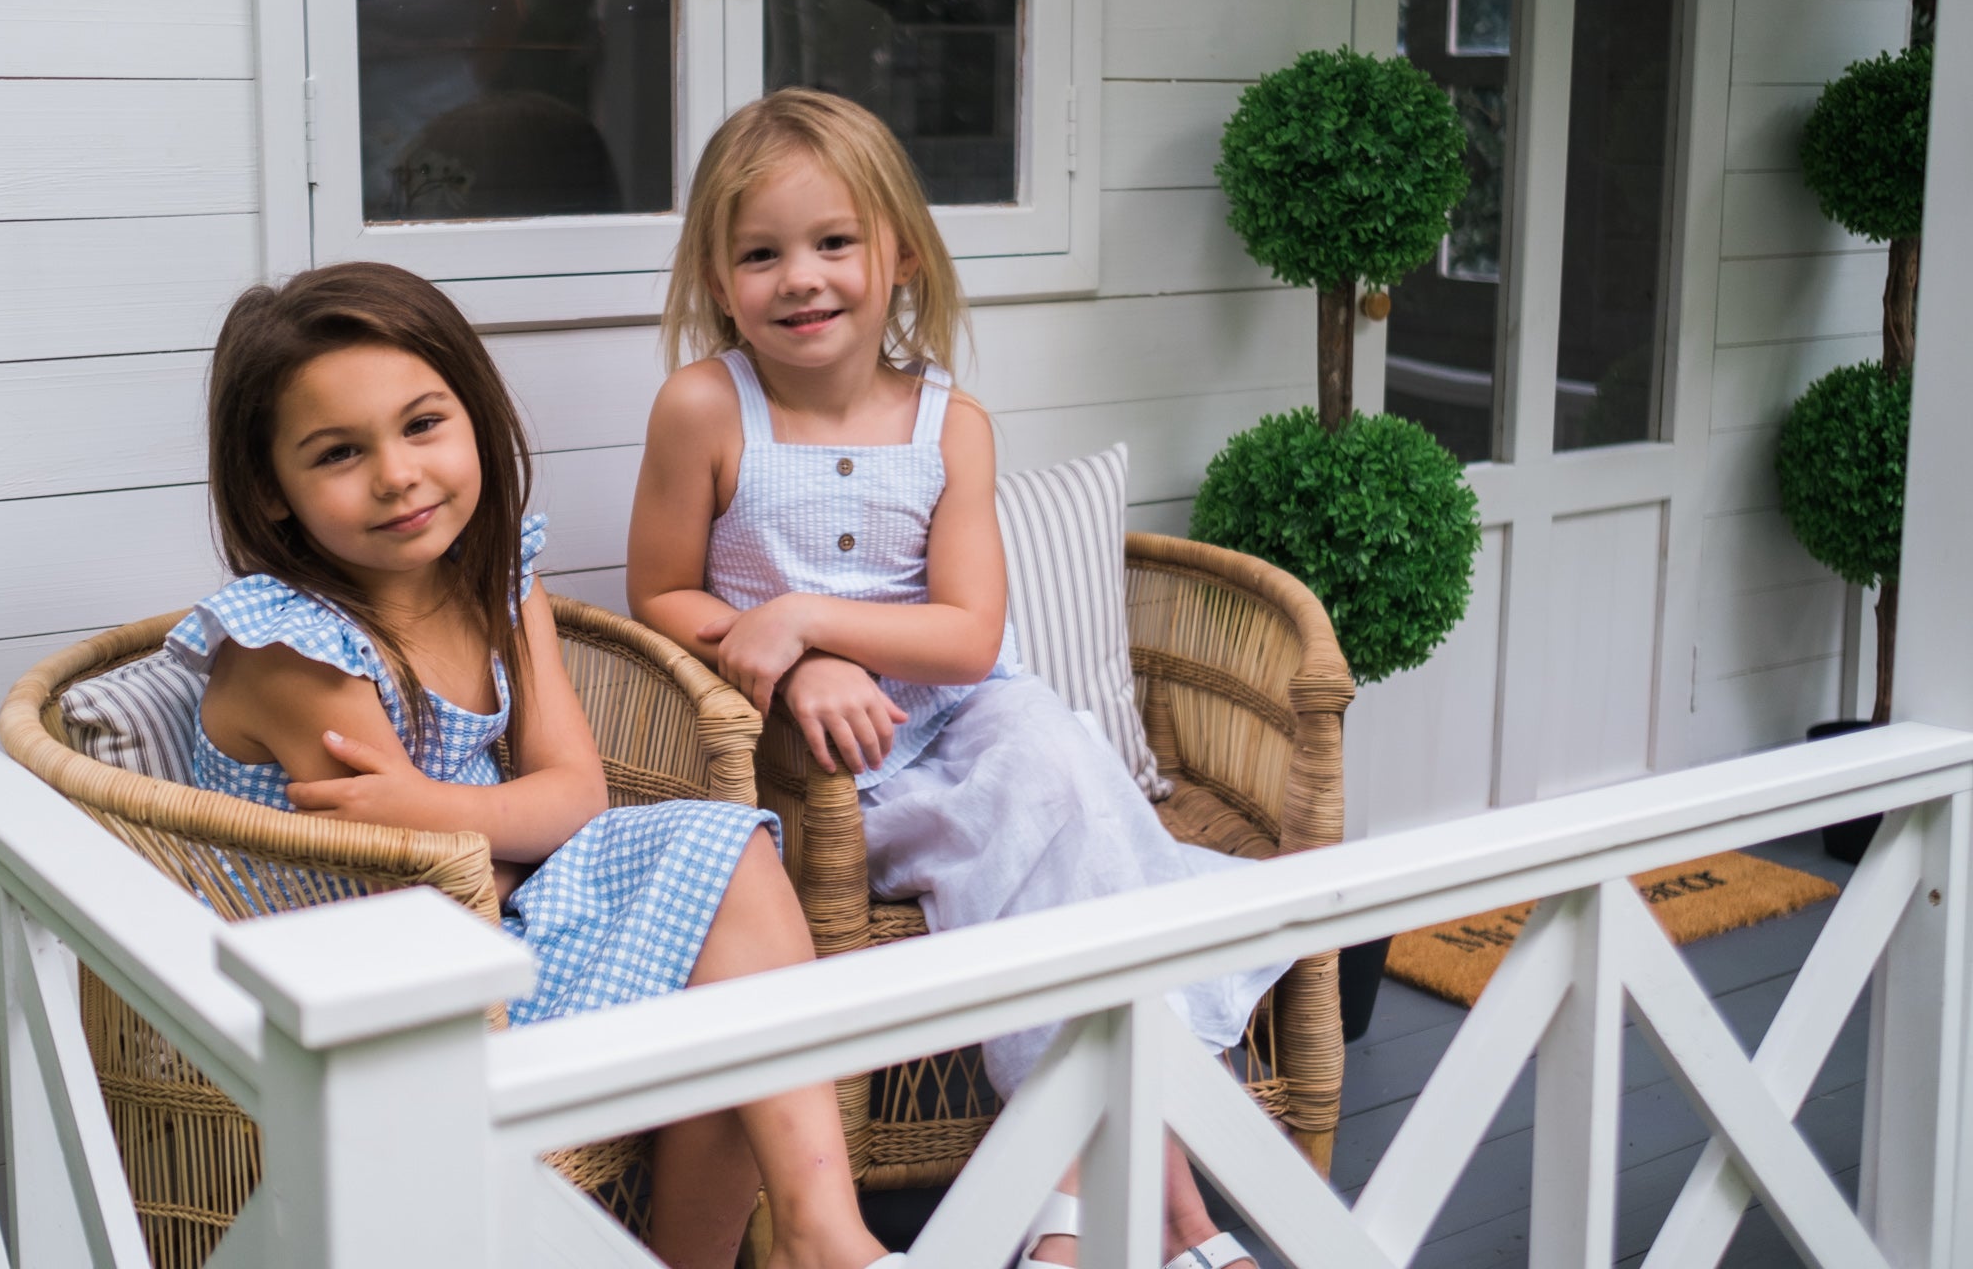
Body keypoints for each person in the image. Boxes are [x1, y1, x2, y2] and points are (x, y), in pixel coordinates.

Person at [627, 88, 1280, 1269]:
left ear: (902, 257)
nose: (802, 277)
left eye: (834, 243)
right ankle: (1176, 1225)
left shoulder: (950, 422)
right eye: (761, 253)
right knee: (1072, 851)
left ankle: (1084, 1210)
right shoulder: (704, 406)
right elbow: (659, 594)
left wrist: (812, 618)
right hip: (829, 760)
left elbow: (973, 639)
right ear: (720, 280)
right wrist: (796, 661)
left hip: (967, 713)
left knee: (1056, 784)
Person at [174, 261, 897, 1269]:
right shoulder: (297, 653)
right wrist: (502, 827)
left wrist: (447, 809)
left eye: (423, 424)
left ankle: (820, 1233)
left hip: (496, 931)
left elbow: (578, 792)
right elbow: (426, 875)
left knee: (734, 925)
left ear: (473, 419)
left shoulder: (497, 573)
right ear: (270, 489)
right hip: (369, 1004)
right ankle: (818, 1243)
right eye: (340, 452)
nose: (397, 474)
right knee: (728, 963)